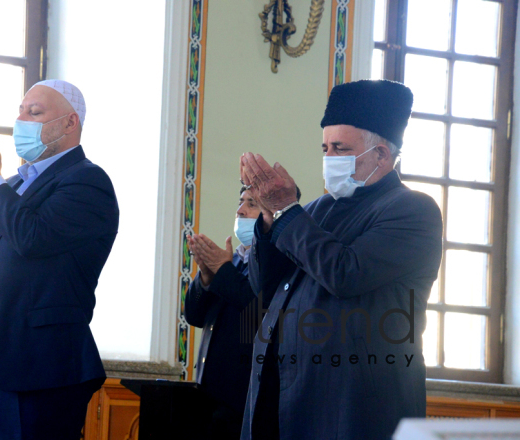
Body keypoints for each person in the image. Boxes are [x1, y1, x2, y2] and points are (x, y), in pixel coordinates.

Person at [239, 80, 443, 440]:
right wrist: (270, 220)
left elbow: (345, 273)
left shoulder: (412, 210)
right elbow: (266, 286)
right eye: (325, 148)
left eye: (339, 148)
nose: (328, 158)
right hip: (284, 393)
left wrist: (286, 210)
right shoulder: (318, 209)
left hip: (352, 406)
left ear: (380, 154)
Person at [0, 79, 119, 440]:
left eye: (34, 112)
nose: (22, 120)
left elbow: (33, 238)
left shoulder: (86, 181)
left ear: (69, 123)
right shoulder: (14, 185)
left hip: (40, 366)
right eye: (20, 111)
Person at [185, 186, 261, 439]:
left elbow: (258, 313)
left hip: (242, 397)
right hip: (207, 393)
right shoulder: (231, 259)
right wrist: (205, 278)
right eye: (240, 202)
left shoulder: (279, 262)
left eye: (252, 204)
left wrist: (222, 269)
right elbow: (194, 316)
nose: (240, 211)